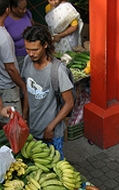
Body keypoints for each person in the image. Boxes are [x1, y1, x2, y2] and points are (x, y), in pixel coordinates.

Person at [21, 25, 74, 158]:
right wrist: (24, 117)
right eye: (27, 49)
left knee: (55, 167)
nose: (31, 54)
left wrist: (51, 127)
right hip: (33, 129)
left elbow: (69, 103)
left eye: (35, 50)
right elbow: (28, 90)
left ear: (45, 45)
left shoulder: (57, 71)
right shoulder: (27, 61)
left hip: (52, 133)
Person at [4, 0, 34, 70]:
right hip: (19, 56)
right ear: (13, 8)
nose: (24, 10)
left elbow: (33, 27)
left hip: (32, 52)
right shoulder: (6, 20)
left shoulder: (27, 13)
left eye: (25, 7)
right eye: (22, 9)